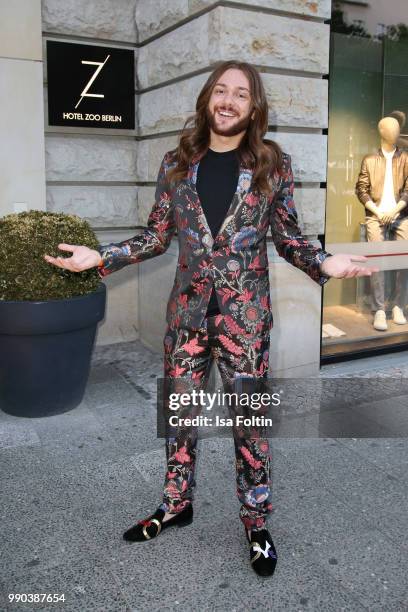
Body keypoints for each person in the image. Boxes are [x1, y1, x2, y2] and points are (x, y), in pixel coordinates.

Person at [44, 60, 378, 577]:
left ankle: (256, 521)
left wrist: (324, 261)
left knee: (251, 426)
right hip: (187, 319)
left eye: (240, 94)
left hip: (245, 320)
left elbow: (287, 237)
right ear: (206, 99)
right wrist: (100, 257)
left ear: (254, 106)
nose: (228, 101)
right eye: (220, 91)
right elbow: (157, 235)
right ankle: (176, 505)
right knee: (180, 419)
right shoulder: (177, 161)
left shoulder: (273, 163)